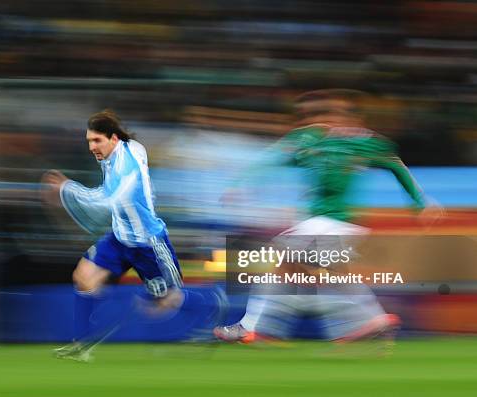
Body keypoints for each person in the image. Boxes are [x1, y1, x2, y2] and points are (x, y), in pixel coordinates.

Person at [214, 89, 443, 344]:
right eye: (309, 114)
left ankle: (253, 327)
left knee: (290, 267)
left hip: (334, 222)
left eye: (327, 113)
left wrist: (420, 201)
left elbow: (396, 166)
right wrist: (242, 184)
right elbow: (274, 159)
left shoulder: (366, 143)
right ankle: (371, 319)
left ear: (349, 117)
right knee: (301, 274)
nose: (317, 119)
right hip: (321, 223)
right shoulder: (308, 139)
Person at [42, 110, 218, 360]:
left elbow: (107, 199)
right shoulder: (119, 153)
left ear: (113, 139)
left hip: (148, 243)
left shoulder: (127, 165)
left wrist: (67, 189)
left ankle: (210, 304)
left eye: (97, 141)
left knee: (167, 301)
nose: (92, 147)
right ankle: (81, 345)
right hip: (120, 237)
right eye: (89, 141)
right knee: (83, 277)